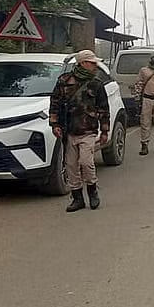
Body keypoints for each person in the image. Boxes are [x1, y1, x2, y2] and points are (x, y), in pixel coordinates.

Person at [49, 50, 111, 212]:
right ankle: (77, 198)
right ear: (82, 63)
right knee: (70, 166)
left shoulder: (96, 84)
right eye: (92, 62)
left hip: (88, 130)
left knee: (86, 162)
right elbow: (54, 103)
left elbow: (104, 109)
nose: (95, 65)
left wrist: (105, 132)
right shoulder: (64, 81)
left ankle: (93, 192)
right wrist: (54, 125)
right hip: (68, 130)